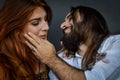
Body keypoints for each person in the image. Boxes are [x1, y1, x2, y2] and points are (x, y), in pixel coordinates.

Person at [24, 6, 120, 80]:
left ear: (91, 23)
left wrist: (51, 59)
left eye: (71, 19)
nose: (62, 25)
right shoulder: (62, 58)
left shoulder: (116, 43)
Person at [0, 0, 52, 80]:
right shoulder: (3, 66)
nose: (46, 27)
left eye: (45, 19)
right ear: (15, 29)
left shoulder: (44, 55)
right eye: (35, 23)